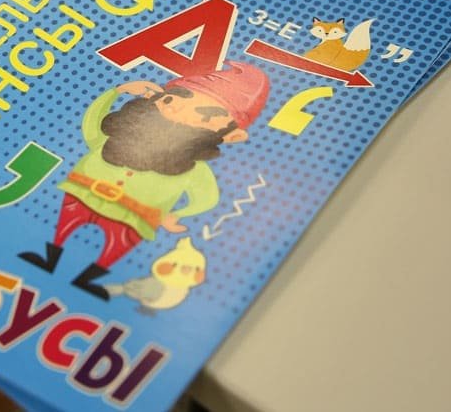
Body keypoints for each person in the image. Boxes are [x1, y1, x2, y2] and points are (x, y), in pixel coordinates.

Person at [18, 62, 269, 299]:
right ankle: (48, 259)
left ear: (233, 136)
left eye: (204, 116)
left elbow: (207, 198)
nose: (177, 111)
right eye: (172, 99)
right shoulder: (114, 136)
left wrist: (178, 215)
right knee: (62, 232)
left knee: (111, 252)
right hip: (82, 194)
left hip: (135, 218)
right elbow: (92, 123)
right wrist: (117, 91)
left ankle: (88, 281)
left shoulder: (194, 170)